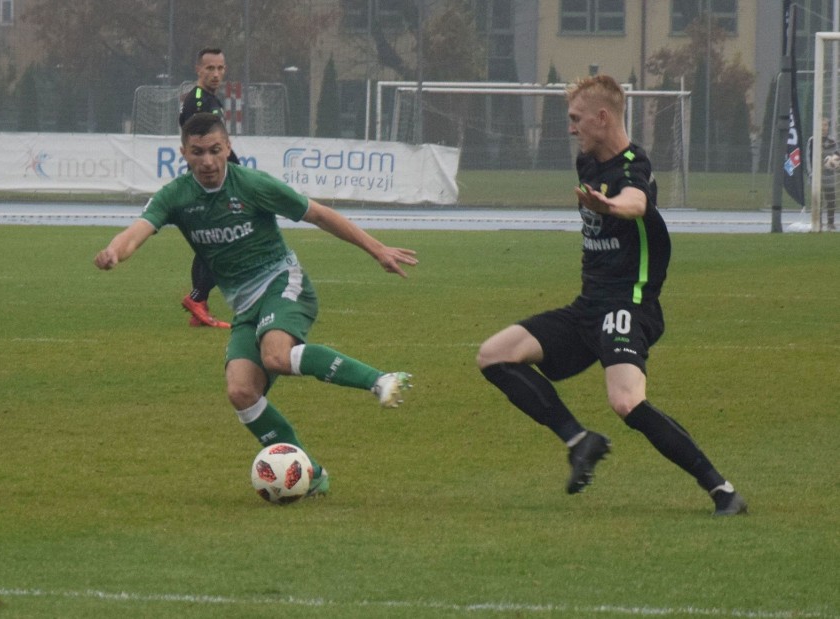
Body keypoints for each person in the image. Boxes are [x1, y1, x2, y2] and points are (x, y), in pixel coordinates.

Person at [95, 113, 417, 497]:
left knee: (277, 355)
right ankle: (310, 473)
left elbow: (318, 214)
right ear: (183, 153)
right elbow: (138, 231)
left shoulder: (251, 185)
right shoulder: (176, 196)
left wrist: (377, 249)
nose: (208, 161)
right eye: (197, 152)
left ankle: (380, 380)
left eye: (215, 150)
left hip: (282, 282)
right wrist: (115, 252)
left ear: (228, 148)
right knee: (241, 391)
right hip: (245, 307)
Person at [476, 75, 747, 517]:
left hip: (629, 305)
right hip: (589, 306)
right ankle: (581, 441)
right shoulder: (588, 163)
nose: (570, 128)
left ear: (603, 118)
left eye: (576, 118)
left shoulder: (632, 165)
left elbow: (638, 202)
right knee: (494, 355)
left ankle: (723, 491)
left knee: (626, 402)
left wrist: (610, 206)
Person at [178, 47, 239, 328]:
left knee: (209, 241)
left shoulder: (208, 99)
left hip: (211, 178)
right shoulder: (199, 100)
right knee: (227, 241)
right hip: (209, 181)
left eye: (220, 68)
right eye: (210, 69)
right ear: (198, 70)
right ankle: (197, 297)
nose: (216, 74)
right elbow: (205, 146)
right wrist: (236, 172)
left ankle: (198, 307)